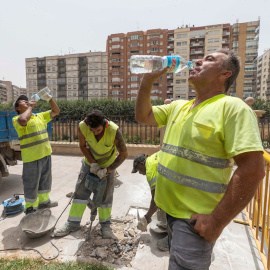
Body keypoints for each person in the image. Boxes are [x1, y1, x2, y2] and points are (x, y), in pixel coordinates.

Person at [135, 50, 265, 269]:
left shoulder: (233, 108)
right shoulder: (179, 106)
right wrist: (148, 79)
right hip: (169, 212)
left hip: (195, 221)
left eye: (209, 59)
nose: (197, 61)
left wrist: (217, 221)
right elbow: (143, 115)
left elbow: (253, 170)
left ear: (224, 74)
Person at [54, 110, 128, 239]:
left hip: (107, 165)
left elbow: (124, 154)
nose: (94, 133)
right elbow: (83, 146)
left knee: (106, 197)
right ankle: (73, 223)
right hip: (89, 163)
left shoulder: (113, 130)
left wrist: (108, 170)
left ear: (104, 125)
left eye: (98, 130)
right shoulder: (83, 126)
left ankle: (105, 225)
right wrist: (93, 164)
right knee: (80, 193)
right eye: (92, 130)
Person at [12, 93, 60, 215]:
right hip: (32, 158)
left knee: (45, 181)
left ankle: (44, 201)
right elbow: (23, 120)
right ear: (17, 108)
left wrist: (50, 98)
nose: (26, 101)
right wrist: (31, 107)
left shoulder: (39, 116)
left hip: (45, 154)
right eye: (22, 101)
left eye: (26, 100)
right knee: (31, 183)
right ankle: (30, 207)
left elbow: (56, 111)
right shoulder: (16, 119)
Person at [132, 151, 169, 251]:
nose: (139, 172)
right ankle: (167, 222)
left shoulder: (150, 170)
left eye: (138, 169)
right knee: (164, 196)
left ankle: (172, 238)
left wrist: (146, 218)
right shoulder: (153, 158)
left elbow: (155, 200)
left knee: (172, 203)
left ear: (142, 164)